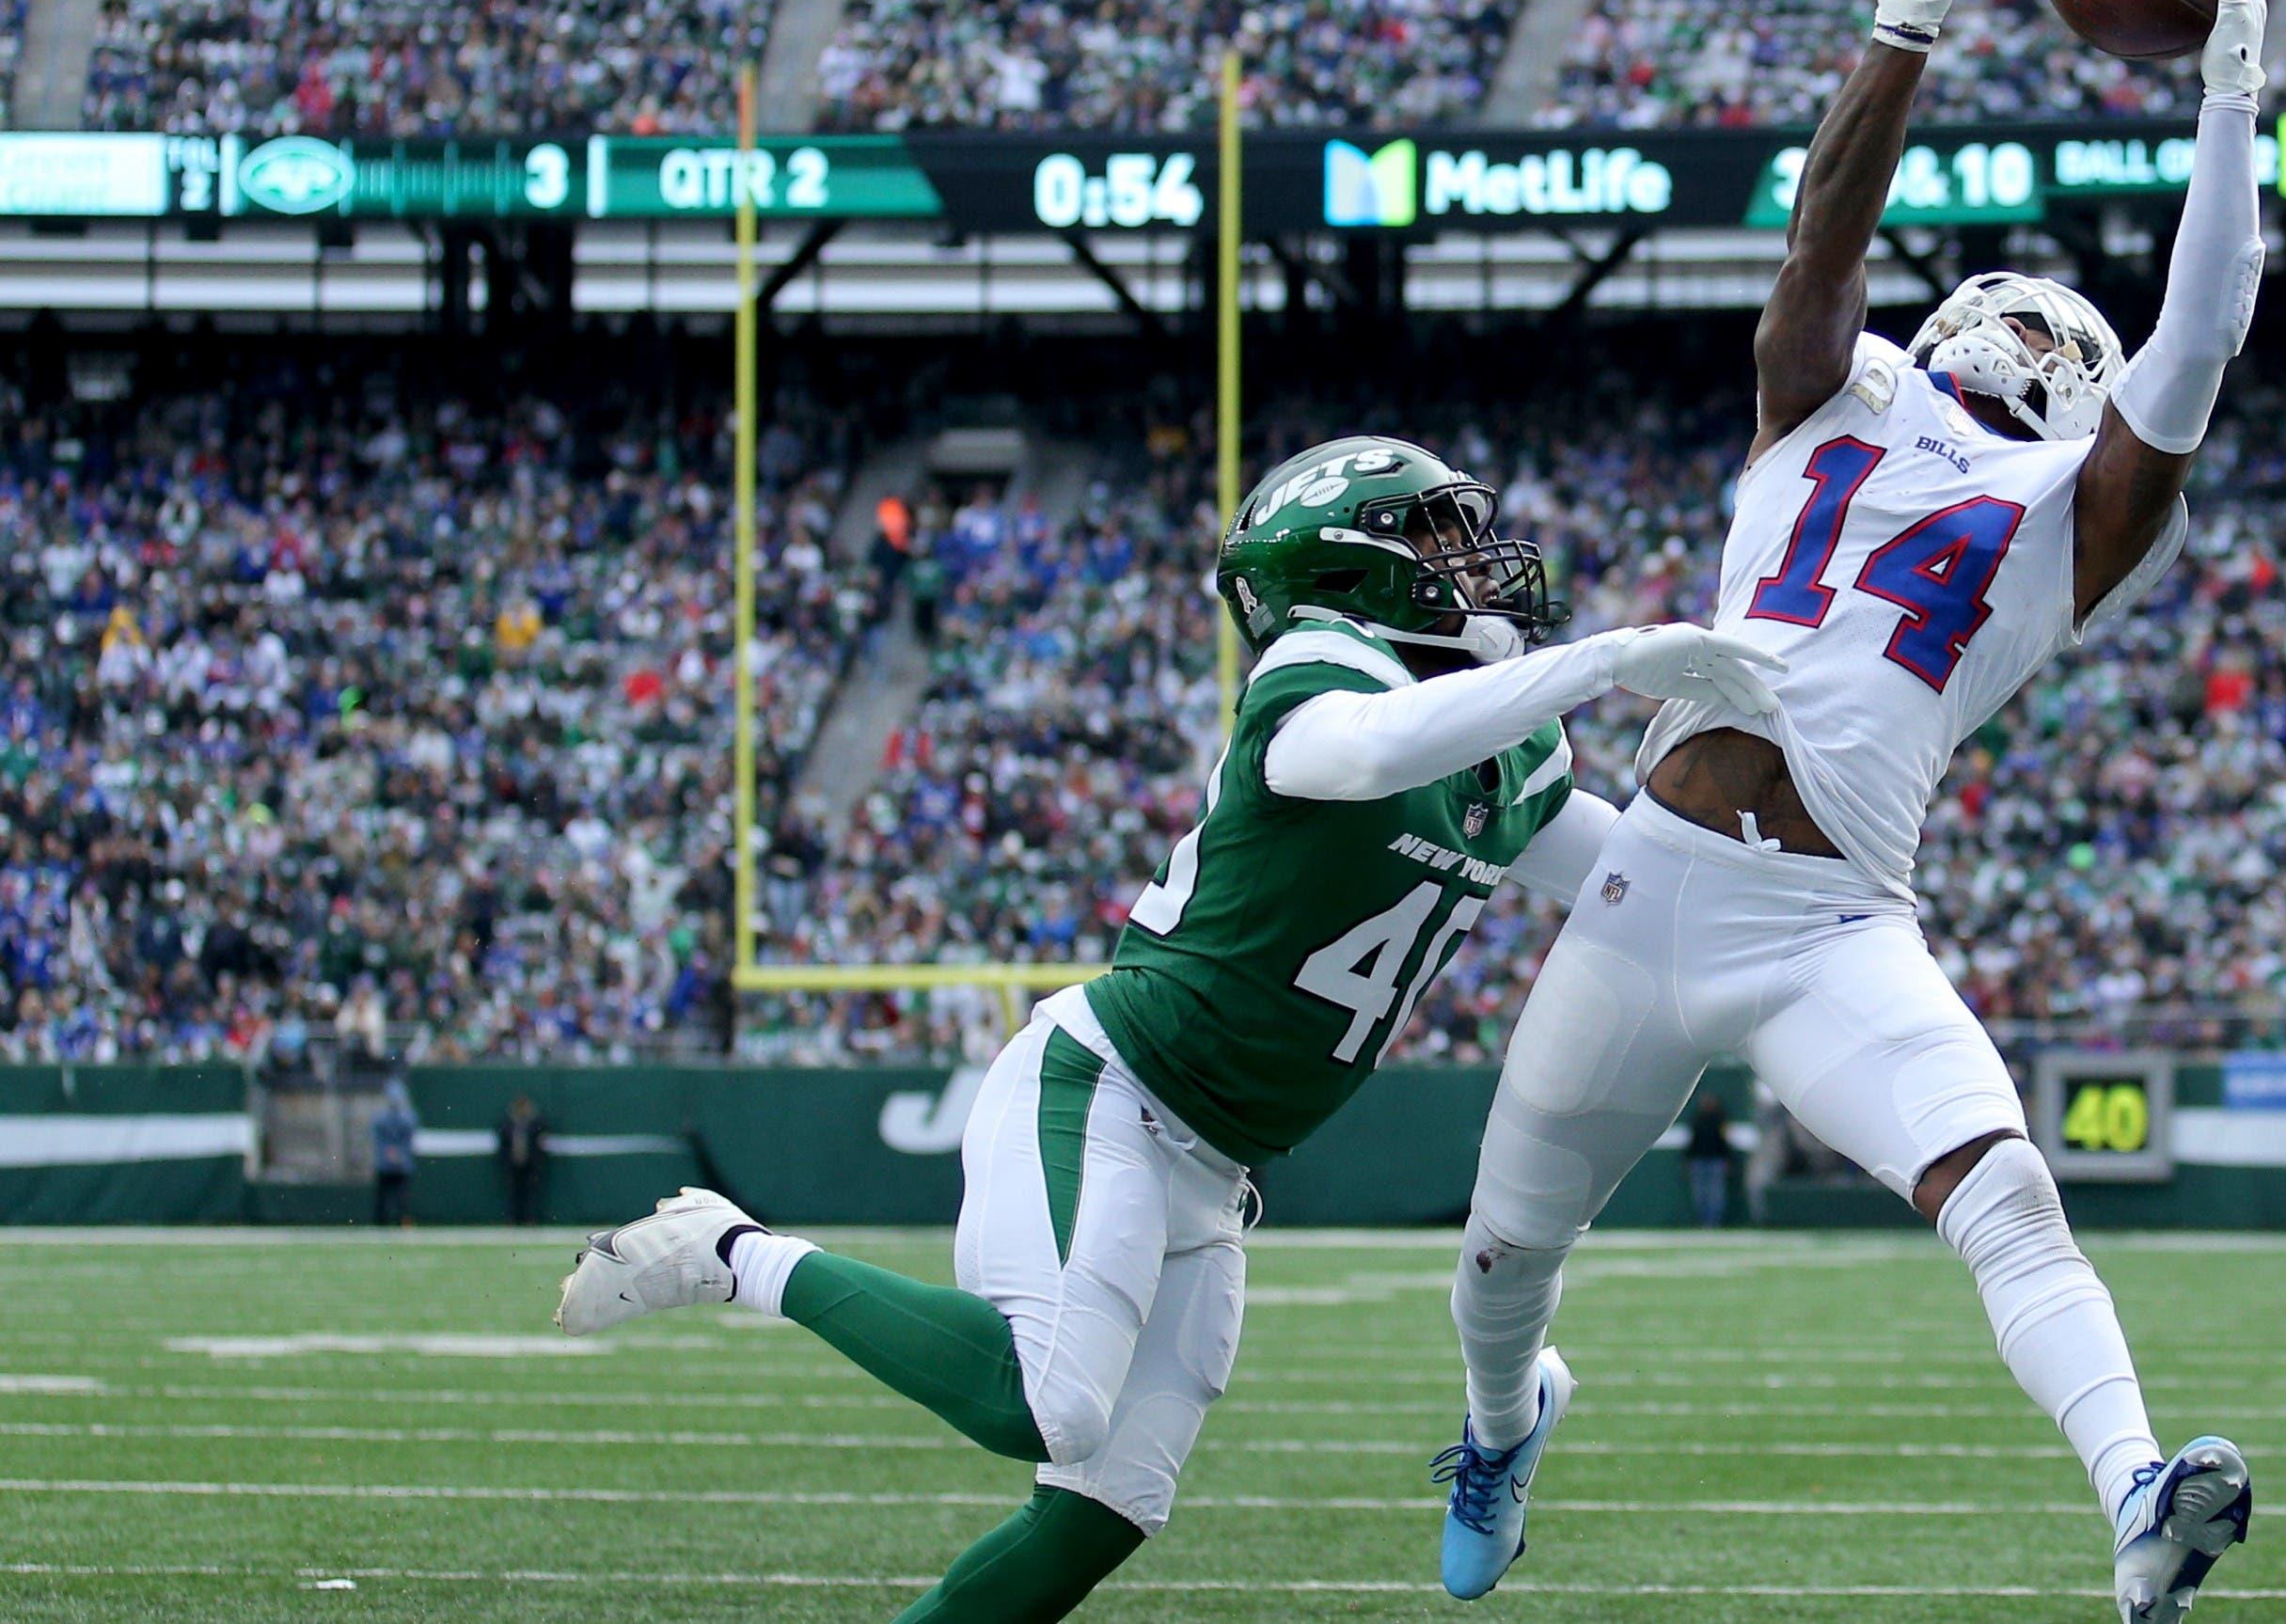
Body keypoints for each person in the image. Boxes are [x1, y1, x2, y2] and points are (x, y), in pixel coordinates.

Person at [1436, 0, 2276, 1624]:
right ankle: (1504, 1427)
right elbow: (1828, 226)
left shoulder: (2069, 511)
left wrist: (2228, 114)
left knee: (2005, 1186)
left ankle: (2139, 1490)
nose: (2000, 332)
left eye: (2041, 331)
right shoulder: (1828, 398)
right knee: (1504, 1253)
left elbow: (2193, 360)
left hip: (1829, 922)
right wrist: (1898, 23)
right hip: (1652, 881)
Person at [557, 437, 1786, 1624]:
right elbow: (1362, 754)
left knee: (1107, 1505)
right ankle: (733, 1251)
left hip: (1217, 1163)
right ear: (1351, 565)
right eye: (1435, 532)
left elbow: (1637, 877)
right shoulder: (1322, 670)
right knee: (1055, 1404)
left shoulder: (1503, 743)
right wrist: (1610, 656)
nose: (1473, 561)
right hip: (1111, 1087)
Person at [1681, 1091, 1737, 1228]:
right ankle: (1703, 1221)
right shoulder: (1696, 1119)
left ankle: (1713, 1223)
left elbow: (1725, 1142)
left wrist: (1727, 1160)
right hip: (1699, 1161)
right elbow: (1692, 1142)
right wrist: (1687, 1160)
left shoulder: (1720, 1120)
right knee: (1700, 1194)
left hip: (1716, 1161)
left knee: (1716, 1194)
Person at [496, 1093, 548, 1226]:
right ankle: (512, 1219)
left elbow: (541, 1140)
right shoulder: (507, 1124)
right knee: (513, 1192)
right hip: (513, 1163)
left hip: (530, 1163)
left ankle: (529, 1219)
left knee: (531, 1192)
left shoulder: (535, 1124)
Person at [370, 1083, 417, 1228]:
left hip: (401, 1165)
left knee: (401, 1197)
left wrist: (398, 1153)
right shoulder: (381, 1118)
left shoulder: (408, 1117)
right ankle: (382, 1222)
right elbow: (378, 1139)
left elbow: (408, 1139)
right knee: (384, 1197)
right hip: (386, 1164)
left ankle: (403, 1221)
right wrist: (389, 1152)